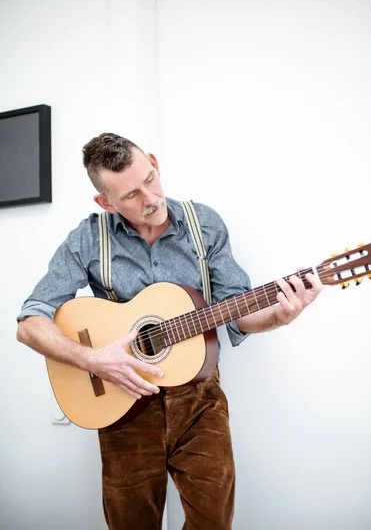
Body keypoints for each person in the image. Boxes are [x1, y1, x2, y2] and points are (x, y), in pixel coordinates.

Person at [16, 133, 323, 530]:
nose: (151, 199)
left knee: (213, 522)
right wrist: (92, 358)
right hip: (122, 408)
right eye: (130, 195)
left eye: (151, 178)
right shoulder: (88, 238)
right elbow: (30, 322)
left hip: (200, 402)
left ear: (155, 163)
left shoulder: (204, 224)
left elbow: (237, 309)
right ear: (105, 202)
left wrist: (280, 317)